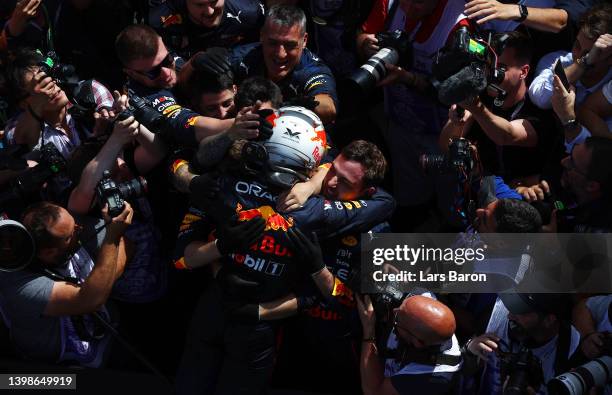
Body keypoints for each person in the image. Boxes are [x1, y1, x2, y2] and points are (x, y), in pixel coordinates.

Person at [175, 109, 395, 394]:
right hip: (233, 313)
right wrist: (219, 257)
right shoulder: (313, 212)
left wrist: (259, 310)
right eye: (331, 173)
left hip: (312, 335)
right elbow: (387, 202)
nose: (330, 184)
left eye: (344, 182)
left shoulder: (227, 184)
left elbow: (353, 299)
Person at [356, 0, 469, 231]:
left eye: (418, 3)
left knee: (453, 207)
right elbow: (362, 33)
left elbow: (459, 92)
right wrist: (363, 44)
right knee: (409, 199)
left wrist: (408, 79)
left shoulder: (458, 24)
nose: (409, 8)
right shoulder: (389, 4)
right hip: (400, 125)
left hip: (443, 136)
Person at [0, 201, 133, 367]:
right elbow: (90, 300)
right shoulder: (19, 285)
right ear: (48, 252)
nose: (80, 228)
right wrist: (111, 239)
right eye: (72, 234)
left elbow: (126, 244)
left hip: (107, 332)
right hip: (58, 364)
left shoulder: (66, 225)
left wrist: (102, 283)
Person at [441, 31, 556, 185]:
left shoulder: (537, 107)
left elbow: (506, 135)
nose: (491, 74)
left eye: (500, 68)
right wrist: (457, 121)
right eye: (489, 66)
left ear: (523, 71)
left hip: (516, 194)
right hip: (477, 186)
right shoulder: (481, 96)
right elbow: (444, 145)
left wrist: (475, 107)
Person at [114, 24, 235, 147]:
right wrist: (240, 125)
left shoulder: (161, 52)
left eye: (167, 60)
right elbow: (184, 123)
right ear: (131, 73)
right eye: (153, 72)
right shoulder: (142, 98)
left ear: (163, 42)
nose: (167, 73)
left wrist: (199, 59)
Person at [225, 4, 338, 124]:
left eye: (290, 45)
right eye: (273, 43)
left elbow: (328, 108)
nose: (280, 54)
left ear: (304, 40)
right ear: (262, 35)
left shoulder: (313, 70)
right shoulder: (241, 57)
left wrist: (290, 107)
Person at [467, 292, 580, 395]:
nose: (509, 315)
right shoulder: (497, 312)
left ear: (549, 320)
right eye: (512, 305)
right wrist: (469, 350)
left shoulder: (572, 348)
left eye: (520, 310)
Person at [355, 293, 462, 395]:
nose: (394, 310)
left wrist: (369, 330)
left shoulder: (430, 376)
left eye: (396, 319)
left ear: (418, 342)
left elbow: (373, 392)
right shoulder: (421, 297)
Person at [515, 137, 612, 232]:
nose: (564, 162)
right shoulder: (562, 175)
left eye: (572, 164)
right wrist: (523, 192)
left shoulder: (599, 230)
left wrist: (552, 244)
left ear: (591, 186)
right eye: (571, 153)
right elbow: (518, 183)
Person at [528, 4, 612, 113]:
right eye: (577, 45)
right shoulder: (556, 61)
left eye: (591, 53)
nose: (579, 55)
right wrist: (583, 63)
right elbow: (541, 98)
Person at [149, 0, 265, 59]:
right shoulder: (163, 21)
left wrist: (231, 57)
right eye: (200, 5)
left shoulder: (251, 13)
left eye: (214, 1)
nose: (210, 11)